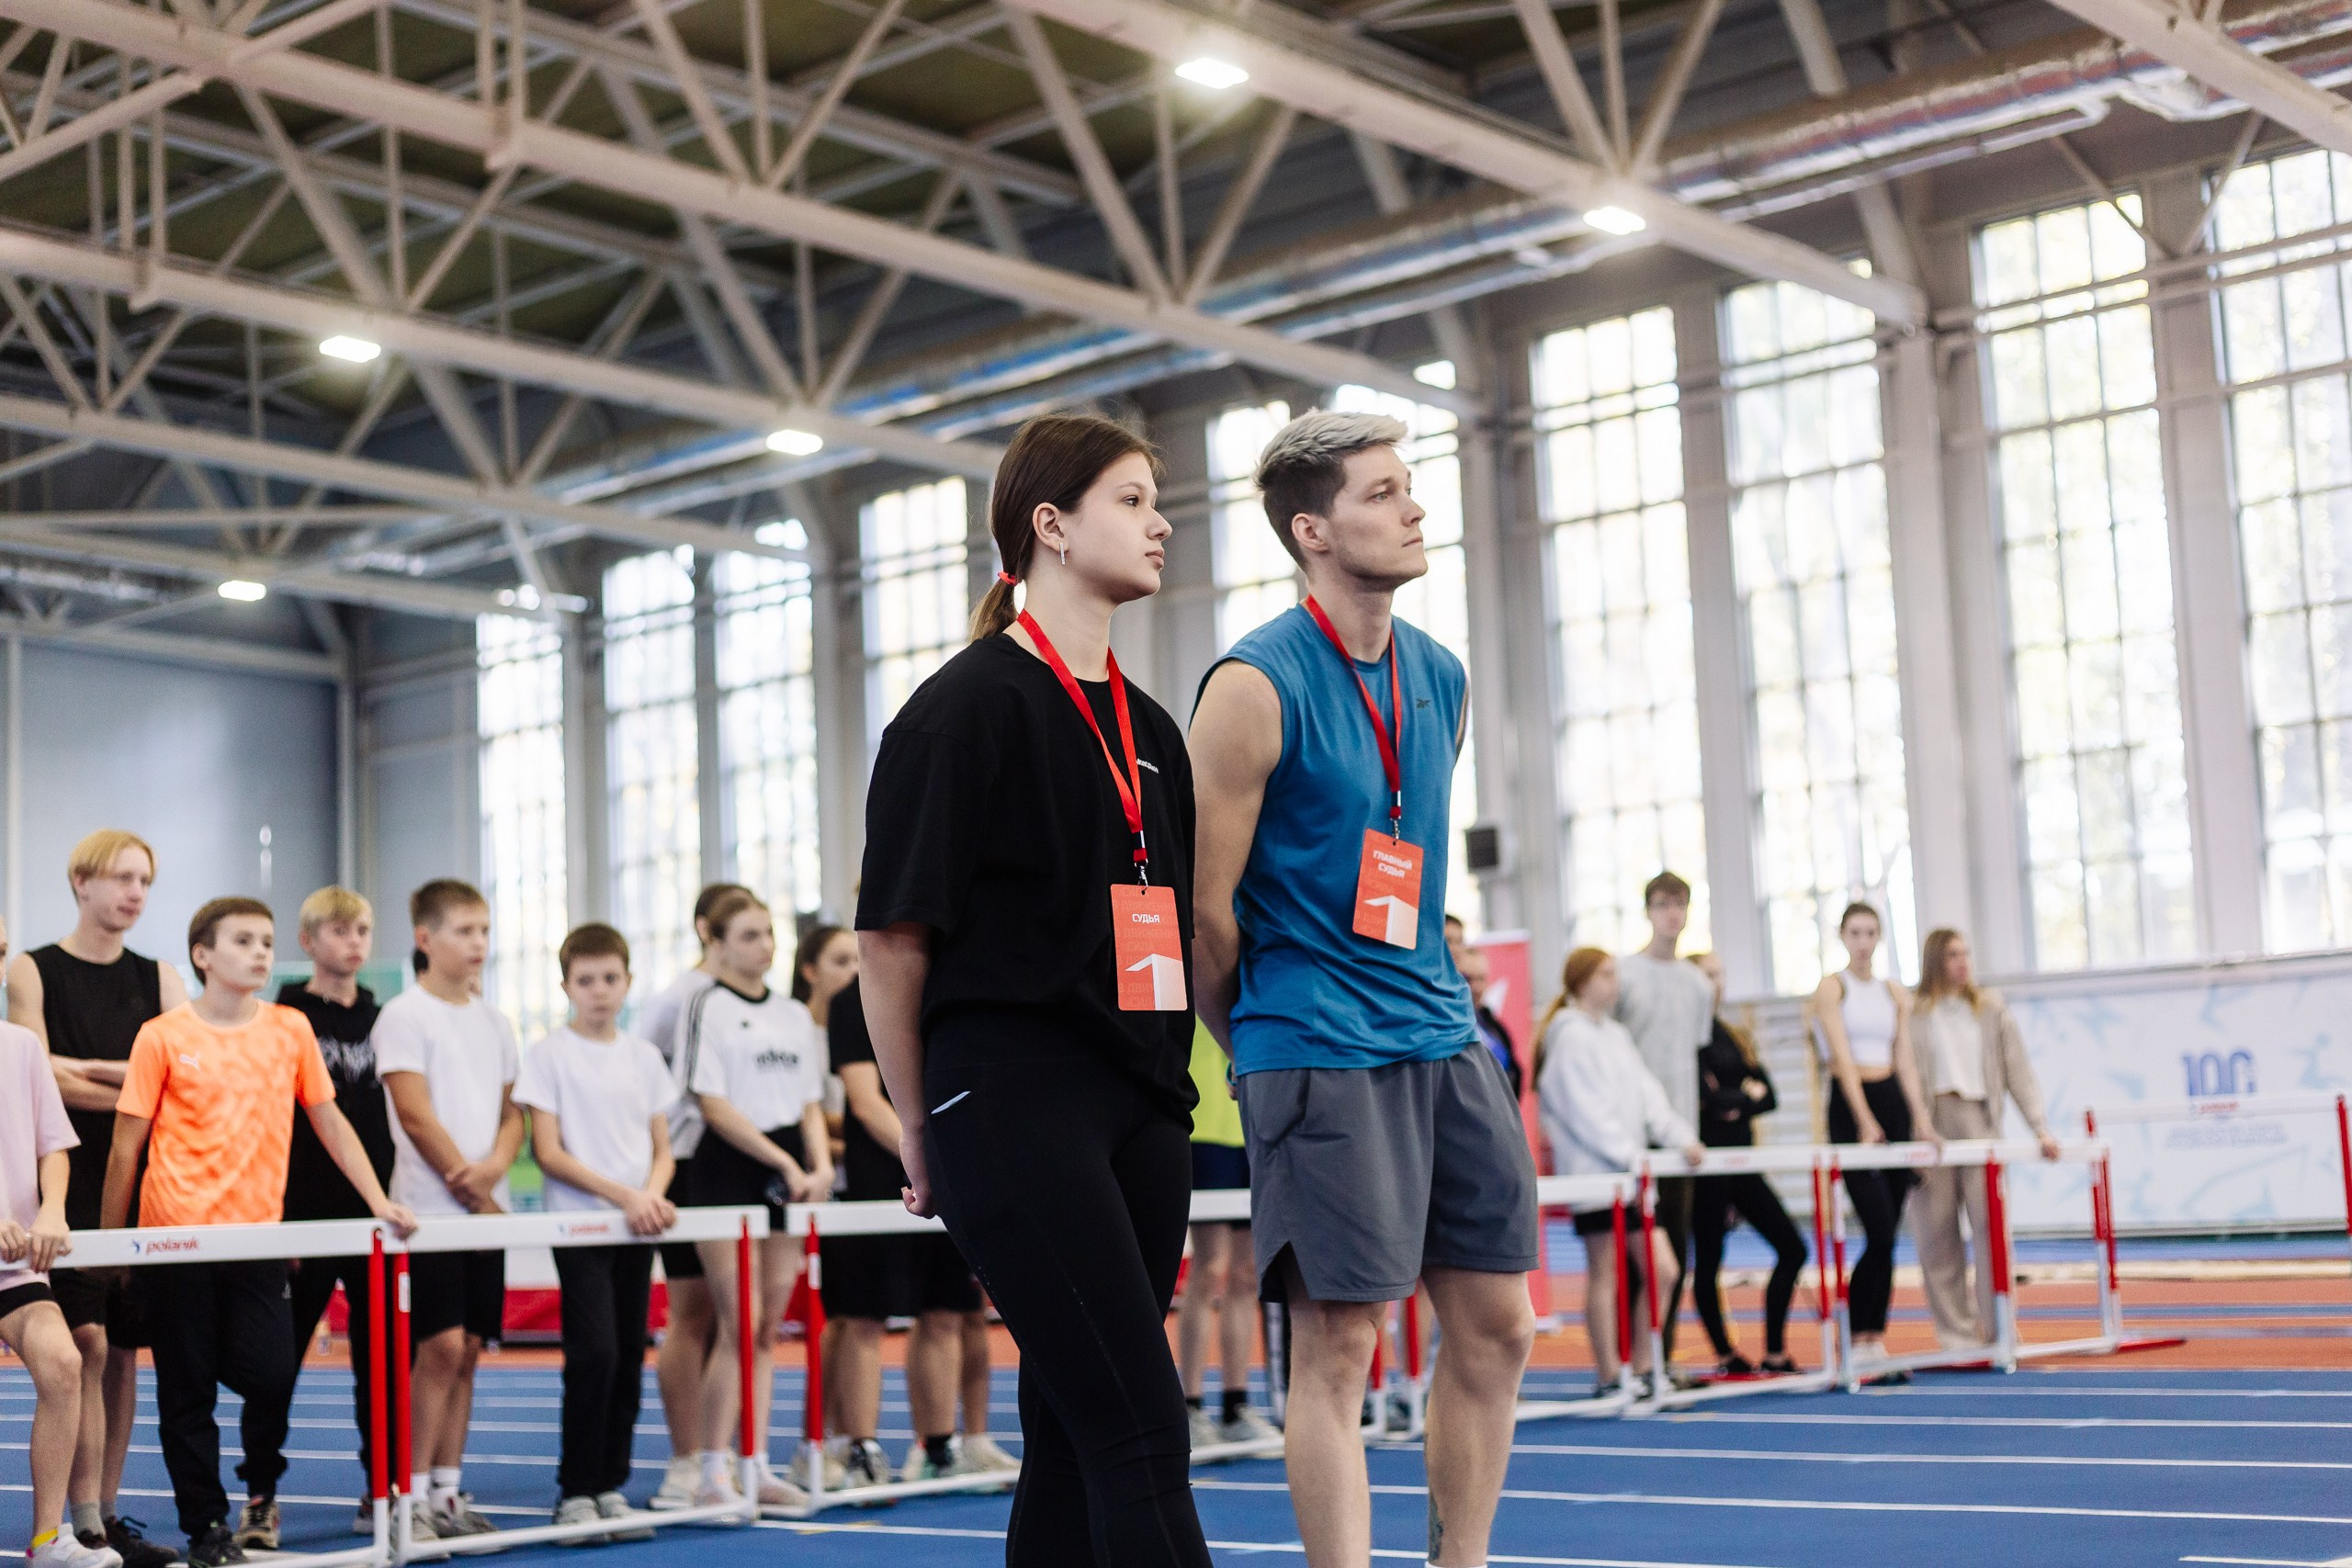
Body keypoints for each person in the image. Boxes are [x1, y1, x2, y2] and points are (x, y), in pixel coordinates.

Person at [861, 413, 1213, 1568]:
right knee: (1145, 1429)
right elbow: (892, 943)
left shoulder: (1152, 730)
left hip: (1141, 1105)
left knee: (1073, 1431)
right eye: (1131, 499)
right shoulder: (961, 710)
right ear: (1050, 527)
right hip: (1010, 1102)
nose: (1160, 521)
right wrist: (920, 1129)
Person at [1191, 409, 1538, 1568]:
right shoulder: (1249, 685)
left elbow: (1405, 841)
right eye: (1383, 494)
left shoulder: (1439, 674)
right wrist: (1264, 1038)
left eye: (1409, 487)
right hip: (1315, 1047)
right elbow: (1203, 910)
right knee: (1340, 1351)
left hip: (1441, 1033)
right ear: (1313, 530)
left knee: (1497, 1326)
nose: (1415, 508)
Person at [100, 898, 414, 1568]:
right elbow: (127, 1146)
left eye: (267, 941)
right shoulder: (161, 1034)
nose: (261, 951)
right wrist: (110, 1248)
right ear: (203, 955)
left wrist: (378, 1199)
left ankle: (208, 1371)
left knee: (271, 1371)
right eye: (243, 940)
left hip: (254, 1240)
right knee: (187, 1394)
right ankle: (207, 1526)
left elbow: (329, 1120)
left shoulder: (290, 1028)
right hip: (175, 1236)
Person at [6, 829, 185, 1568]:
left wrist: (81, 1071)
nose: (135, 891)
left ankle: (97, 1519)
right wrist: (130, 1078)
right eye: (121, 876)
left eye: (146, 878)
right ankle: (77, 1517)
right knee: (86, 1342)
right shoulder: (33, 969)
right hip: (49, 1197)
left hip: (125, 1180)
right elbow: (54, 1080)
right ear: (81, 881)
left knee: (117, 1351)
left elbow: (173, 1081)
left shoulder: (161, 976)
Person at [816, 928, 1009, 1493]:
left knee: (946, 1312)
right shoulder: (853, 998)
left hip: (950, 1167)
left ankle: (939, 1445)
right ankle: (861, 1449)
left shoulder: (952, 987)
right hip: (882, 1178)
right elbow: (863, 1097)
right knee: (867, 1318)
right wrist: (917, 1143)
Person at [514, 922, 677, 1540]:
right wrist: (625, 1195)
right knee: (595, 1352)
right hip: (582, 1225)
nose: (599, 990)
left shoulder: (643, 1056)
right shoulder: (549, 1053)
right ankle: (575, 1490)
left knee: (630, 1354)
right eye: (586, 980)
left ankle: (610, 1483)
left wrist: (652, 1195)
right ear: (566, 986)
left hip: (639, 1225)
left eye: (610, 978)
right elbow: (550, 1151)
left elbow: (663, 1147)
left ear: (628, 981)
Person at [377, 879, 526, 1540]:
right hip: (427, 1210)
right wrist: (469, 1185)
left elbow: (511, 1112)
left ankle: (445, 1490)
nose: (478, 943)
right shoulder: (405, 1015)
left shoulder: (497, 1021)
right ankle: (404, 1495)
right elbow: (412, 1111)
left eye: (484, 930)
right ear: (425, 937)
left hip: (483, 1207)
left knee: (467, 1347)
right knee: (434, 1346)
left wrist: (494, 1168)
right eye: (464, 930)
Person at [247, 887, 398, 1540]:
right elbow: (265, 1119)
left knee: (382, 1364)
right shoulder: (279, 1015)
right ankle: (260, 1494)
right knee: (274, 1365)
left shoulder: (383, 1018)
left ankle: (381, 1489)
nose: (355, 941)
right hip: (299, 1217)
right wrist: (275, 1216)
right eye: (340, 930)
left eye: (363, 928)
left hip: (372, 1219)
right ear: (308, 941)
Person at [684, 888, 830, 1511]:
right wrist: (785, 1161)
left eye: (768, 933)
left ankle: (757, 1465)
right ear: (714, 943)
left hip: (789, 1168)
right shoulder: (707, 1006)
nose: (764, 946)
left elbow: (808, 1102)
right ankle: (711, 1470)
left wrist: (819, 1164)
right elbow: (709, 1103)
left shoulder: (795, 1015)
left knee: (768, 1327)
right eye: (747, 935)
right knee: (736, 1321)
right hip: (727, 1168)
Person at [0, 914, 122, 1568]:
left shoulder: (20, 1047)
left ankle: (49, 1539)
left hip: (16, 1264)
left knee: (65, 1361)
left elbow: (55, 1146)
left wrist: (52, 1211)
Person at [1535, 949, 1703, 1395]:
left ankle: (1645, 1367)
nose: (1616, 983)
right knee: (1604, 1271)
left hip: (1629, 1175)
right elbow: (1585, 1112)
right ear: (1581, 981)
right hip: (1597, 1176)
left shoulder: (1615, 1035)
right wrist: (1628, 1155)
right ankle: (1609, 1373)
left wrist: (1679, 1136)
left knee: (1664, 1269)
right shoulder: (1568, 1036)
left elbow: (1649, 1096)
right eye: (1607, 975)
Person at [639, 882, 746, 1511]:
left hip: (735, 1166)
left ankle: (719, 1453)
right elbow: (642, 1070)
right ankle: (683, 1460)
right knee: (693, 1313)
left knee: (737, 1318)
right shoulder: (678, 996)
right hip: (684, 1159)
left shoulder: (751, 1000)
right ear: (709, 928)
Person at [1912, 928, 2064, 1349]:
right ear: (1934, 962)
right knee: (1937, 1235)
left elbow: (2018, 1071)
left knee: (1991, 1231)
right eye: (1952, 956)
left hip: (1980, 1121)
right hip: (1933, 1125)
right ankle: (1956, 1334)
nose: (1963, 963)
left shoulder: (1990, 1008)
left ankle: (1998, 1328)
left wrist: (2040, 1126)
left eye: (1966, 954)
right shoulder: (1914, 1013)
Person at [1812, 901, 1939, 1381]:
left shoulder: (1893, 992)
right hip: (1851, 1103)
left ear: (1880, 938)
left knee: (1887, 1238)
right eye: (1855, 933)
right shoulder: (1832, 988)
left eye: (1871, 933)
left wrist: (1921, 1120)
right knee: (1879, 1227)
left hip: (1890, 1099)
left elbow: (1904, 1060)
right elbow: (1842, 1058)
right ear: (1843, 938)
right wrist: (1863, 1119)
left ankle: (1872, 1342)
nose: (1863, 942)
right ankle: (1854, 1336)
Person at [1686, 953, 1808, 1377]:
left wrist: (1733, 1100)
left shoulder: (1732, 1034)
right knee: (1709, 1261)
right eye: (1706, 976)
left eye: (1720, 974)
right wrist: (1743, 1095)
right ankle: (1725, 1353)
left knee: (1793, 1248)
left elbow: (1770, 1095)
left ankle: (1775, 1350)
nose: (1715, 983)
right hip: (1707, 1167)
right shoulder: (1689, 1039)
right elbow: (1709, 1103)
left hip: (1743, 1163)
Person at [1611, 871, 1713, 1374]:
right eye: (1663, 903)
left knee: (1676, 1254)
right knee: (1634, 1260)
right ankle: (1625, 1363)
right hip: (1634, 1138)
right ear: (1648, 910)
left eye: (1680, 903)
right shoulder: (1624, 975)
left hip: (1681, 1137)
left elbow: (1692, 1052)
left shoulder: (1698, 984)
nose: (1672, 912)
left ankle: (1661, 1358)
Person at [1178, 1018, 1277, 1455]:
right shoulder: (1199, 964)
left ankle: (1236, 1405)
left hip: (1249, 1125)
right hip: (1204, 1128)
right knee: (1210, 1266)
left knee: (1247, 1273)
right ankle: (1189, 1404)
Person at [1444, 916, 1520, 1100]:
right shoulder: (1444, 1015)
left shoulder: (1492, 1023)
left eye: (1482, 978)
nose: (1476, 987)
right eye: (1469, 979)